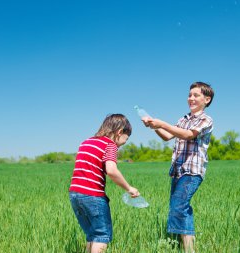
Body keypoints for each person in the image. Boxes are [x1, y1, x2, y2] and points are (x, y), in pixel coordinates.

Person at [142, 82, 214, 253]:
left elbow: (189, 135)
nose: (191, 98)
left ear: (207, 99)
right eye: (190, 95)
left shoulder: (206, 119)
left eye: (196, 95)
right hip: (178, 170)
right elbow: (168, 136)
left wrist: (163, 123)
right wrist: (155, 127)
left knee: (178, 206)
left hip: (192, 171)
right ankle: (189, 248)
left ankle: (179, 244)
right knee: (183, 207)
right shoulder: (183, 119)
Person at [69, 114, 140, 253]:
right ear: (120, 132)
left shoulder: (86, 142)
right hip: (93, 195)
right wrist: (129, 188)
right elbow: (112, 171)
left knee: (92, 234)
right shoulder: (110, 145)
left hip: (75, 194)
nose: (124, 143)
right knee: (101, 235)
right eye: (126, 138)